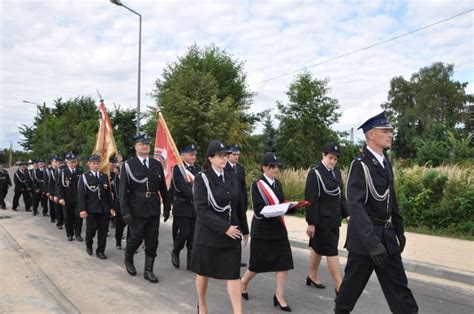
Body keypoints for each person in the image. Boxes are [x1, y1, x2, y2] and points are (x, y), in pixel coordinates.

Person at [334, 112, 418, 314]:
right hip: (365, 240)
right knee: (350, 291)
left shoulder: (385, 162)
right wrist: (372, 242)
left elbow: (392, 199)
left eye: (391, 130)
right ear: (371, 134)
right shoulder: (360, 165)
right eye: (385, 130)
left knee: (400, 289)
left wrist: (399, 230)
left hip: (387, 238)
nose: (390, 134)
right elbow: (355, 205)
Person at [190, 140, 248, 314]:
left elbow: (239, 205)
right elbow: (201, 210)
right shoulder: (202, 179)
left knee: (233, 274)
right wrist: (224, 228)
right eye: (220, 155)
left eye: (225, 155)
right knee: (203, 272)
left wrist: (244, 230)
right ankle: (202, 304)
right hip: (209, 234)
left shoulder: (233, 176)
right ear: (210, 158)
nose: (224, 158)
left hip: (232, 233)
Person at [240, 153, 293, 312]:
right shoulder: (257, 184)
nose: (276, 169)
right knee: (257, 264)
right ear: (264, 167)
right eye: (272, 166)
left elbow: (281, 202)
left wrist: (291, 206)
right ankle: (243, 282)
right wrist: (278, 209)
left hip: (279, 230)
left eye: (277, 166)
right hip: (263, 231)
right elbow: (258, 210)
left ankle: (279, 297)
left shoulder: (278, 184)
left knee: (284, 264)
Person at [120, 134, 171, 283]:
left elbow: (162, 187)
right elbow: (122, 191)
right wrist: (125, 212)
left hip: (153, 207)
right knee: (135, 238)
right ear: (135, 147)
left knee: (152, 240)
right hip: (136, 208)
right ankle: (128, 258)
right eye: (142, 144)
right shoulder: (129, 165)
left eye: (147, 144)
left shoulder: (156, 164)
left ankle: (148, 271)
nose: (145, 146)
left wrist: (167, 206)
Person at [304, 142, 348, 295]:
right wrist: (311, 223)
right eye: (330, 158)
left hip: (334, 220)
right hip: (321, 221)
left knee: (317, 248)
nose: (333, 162)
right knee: (331, 251)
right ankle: (339, 285)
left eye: (335, 159)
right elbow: (311, 200)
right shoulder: (315, 173)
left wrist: (347, 214)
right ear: (323, 155)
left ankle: (312, 275)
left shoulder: (336, 173)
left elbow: (340, 196)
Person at [77, 154, 114, 259]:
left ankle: (100, 251)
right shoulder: (84, 177)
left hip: (104, 209)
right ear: (89, 164)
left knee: (103, 231)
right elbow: (81, 195)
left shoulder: (104, 176)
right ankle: (89, 244)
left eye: (97, 163)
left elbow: (108, 194)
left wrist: (111, 207)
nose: (96, 165)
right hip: (91, 209)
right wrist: (82, 209)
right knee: (91, 230)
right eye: (94, 163)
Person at [170, 144, 201, 270]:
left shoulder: (197, 169)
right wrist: (198, 196)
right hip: (182, 206)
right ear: (182, 155)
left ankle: (191, 263)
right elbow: (182, 187)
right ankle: (176, 251)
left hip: (194, 208)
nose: (193, 156)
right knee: (184, 233)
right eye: (190, 154)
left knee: (193, 236)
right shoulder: (178, 169)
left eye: (194, 154)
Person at [225, 144, 249, 268]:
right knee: (229, 233)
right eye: (234, 154)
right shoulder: (224, 167)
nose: (236, 157)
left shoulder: (239, 168)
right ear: (228, 155)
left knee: (238, 233)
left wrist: (245, 203)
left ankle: (236, 259)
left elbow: (243, 188)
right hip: (229, 205)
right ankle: (226, 259)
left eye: (238, 155)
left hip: (239, 205)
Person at [57, 152, 84, 241]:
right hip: (67, 199)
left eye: (74, 161)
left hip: (78, 198)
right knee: (68, 217)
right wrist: (60, 198)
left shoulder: (80, 171)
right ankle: (69, 234)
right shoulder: (63, 171)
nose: (73, 163)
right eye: (71, 161)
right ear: (67, 162)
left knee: (78, 217)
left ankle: (78, 234)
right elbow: (59, 186)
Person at [110, 157, 126, 249]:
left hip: (130, 204)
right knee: (120, 226)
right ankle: (118, 242)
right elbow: (117, 192)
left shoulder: (128, 176)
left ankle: (131, 245)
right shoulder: (116, 178)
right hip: (119, 204)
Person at [49, 156, 64, 229]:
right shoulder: (51, 171)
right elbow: (51, 184)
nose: (56, 163)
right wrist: (52, 194)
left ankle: (64, 221)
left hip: (63, 193)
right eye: (55, 162)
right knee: (57, 209)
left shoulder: (63, 170)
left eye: (58, 162)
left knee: (64, 209)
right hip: (55, 193)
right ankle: (59, 223)